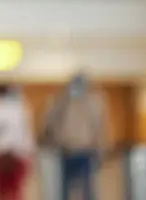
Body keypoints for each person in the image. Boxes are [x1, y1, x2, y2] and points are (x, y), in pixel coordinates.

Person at [41, 72, 110, 200]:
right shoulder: (61, 101)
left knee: (86, 188)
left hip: (86, 151)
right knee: (66, 188)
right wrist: (55, 142)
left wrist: (100, 149)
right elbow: (51, 124)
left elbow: (99, 128)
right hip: (66, 151)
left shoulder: (93, 102)